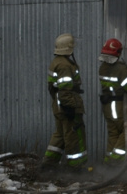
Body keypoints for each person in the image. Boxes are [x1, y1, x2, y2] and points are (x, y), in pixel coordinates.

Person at [42, 33, 88, 170]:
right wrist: (69, 106)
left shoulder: (57, 62)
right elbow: (65, 89)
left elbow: (55, 88)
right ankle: (75, 167)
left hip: (59, 105)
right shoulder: (64, 65)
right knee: (73, 135)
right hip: (66, 105)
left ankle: (49, 164)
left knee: (60, 135)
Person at [98, 38, 127, 165]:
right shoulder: (121, 70)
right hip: (120, 108)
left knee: (113, 134)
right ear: (118, 52)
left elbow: (115, 76)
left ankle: (108, 164)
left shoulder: (102, 68)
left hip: (108, 108)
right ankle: (116, 162)